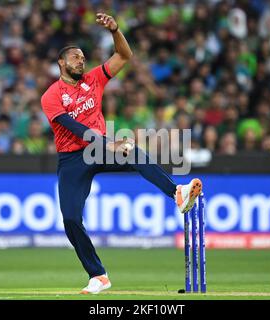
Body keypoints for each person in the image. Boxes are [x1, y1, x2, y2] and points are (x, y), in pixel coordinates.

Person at [41, 13, 203, 294]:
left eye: (82, 57)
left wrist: (116, 30)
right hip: (71, 159)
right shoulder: (51, 95)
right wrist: (107, 143)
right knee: (70, 219)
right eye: (75, 57)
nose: (81, 60)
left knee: (133, 152)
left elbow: (124, 55)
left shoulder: (94, 79)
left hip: (97, 150)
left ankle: (177, 193)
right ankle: (98, 276)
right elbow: (71, 125)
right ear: (61, 63)